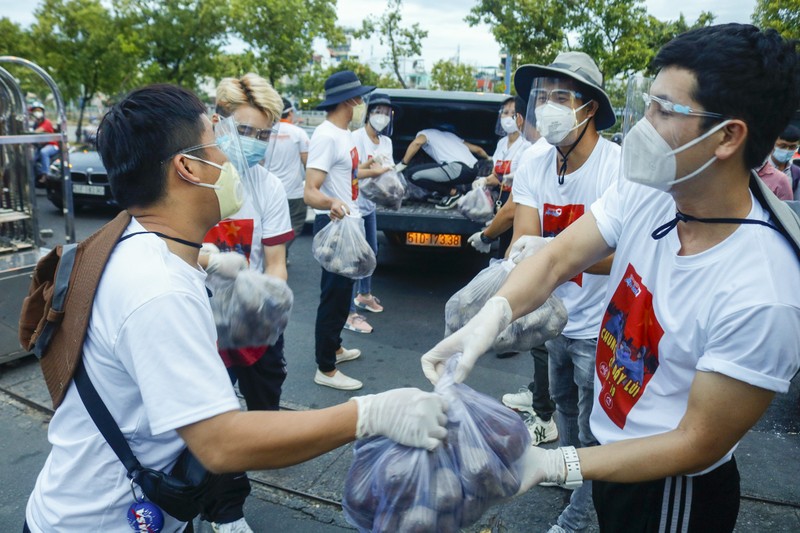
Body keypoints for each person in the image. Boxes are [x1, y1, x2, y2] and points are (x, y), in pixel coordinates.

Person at [422, 24, 800, 533]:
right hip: (613, 448)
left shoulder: (764, 294)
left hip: (671, 492)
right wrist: (489, 320)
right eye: (648, 104)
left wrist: (557, 465)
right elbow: (557, 258)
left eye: (666, 110)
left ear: (728, 136)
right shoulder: (652, 189)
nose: (645, 124)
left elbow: (695, 442)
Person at [24, 83, 449, 532]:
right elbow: (221, 443)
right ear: (187, 166)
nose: (229, 155)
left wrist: (213, 262)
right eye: (216, 139)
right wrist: (372, 414)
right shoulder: (159, 289)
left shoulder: (133, 245)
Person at [500, 51, 621, 533]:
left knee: (597, 428)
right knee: (566, 405)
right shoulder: (533, 160)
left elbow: (622, 253)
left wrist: (551, 249)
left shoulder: (617, 167)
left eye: (560, 97)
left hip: (601, 325)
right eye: (541, 96)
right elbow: (522, 241)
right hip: (556, 318)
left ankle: (581, 515)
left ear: (588, 108)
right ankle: (573, 472)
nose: (546, 106)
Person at [197, 73, 294, 533]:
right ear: (218, 122)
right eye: (246, 131)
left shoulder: (266, 186)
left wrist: (272, 295)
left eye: (264, 134)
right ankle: (225, 511)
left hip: (254, 326)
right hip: (199, 328)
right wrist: (208, 258)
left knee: (264, 411)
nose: (254, 143)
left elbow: (276, 260)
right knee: (214, 420)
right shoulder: (192, 178)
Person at [304, 70, 387, 390]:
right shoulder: (325, 135)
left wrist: (375, 170)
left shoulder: (344, 134)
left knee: (344, 292)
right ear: (350, 100)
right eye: (360, 98)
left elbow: (349, 175)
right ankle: (325, 368)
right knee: (334, 296)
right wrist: (332, 203)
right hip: (336, 224)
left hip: (349, 223)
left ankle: (335, 347)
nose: (362, 103)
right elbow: (311, 190)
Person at [344, 92, 396, 334]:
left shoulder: (386, 142)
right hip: (353, 207)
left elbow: (388, 171)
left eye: (386, 113)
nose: (382, 117)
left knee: (372, 251)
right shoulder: (355, 138)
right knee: (355, 257)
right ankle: (349, 309)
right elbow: (351, 173)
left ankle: (364, 294)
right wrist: (374, 172)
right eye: (378, 111)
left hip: (370, 206)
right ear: (368, 112)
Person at [480, 95, 532, 256]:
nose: (507, 117)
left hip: (516, 200)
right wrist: (484, 181)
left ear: (521, 118)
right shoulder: (501, 143)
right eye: (505, 112)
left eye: (512, 113)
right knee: (502, 245)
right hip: (500, 197)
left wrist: (512, 176)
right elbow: (496, 175)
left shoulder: (527, 145)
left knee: (511, 248)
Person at [396, 125, 492, 209]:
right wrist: (488, 158)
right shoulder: (452, 136)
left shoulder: (425, 133)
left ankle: (453, 194)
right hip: (473, 170)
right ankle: (442, 194)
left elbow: (417, 143)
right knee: (440, 170)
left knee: (413, 174)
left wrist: (403, 163)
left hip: (458, 169)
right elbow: (478, 150)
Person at [268, 97, 310, 256]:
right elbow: (307, 162)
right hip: (294, 192)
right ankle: (277, 254)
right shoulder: (298, 133)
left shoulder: (266, 131)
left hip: (271, 191)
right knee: (295, 225)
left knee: (274, 227)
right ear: (290, 112)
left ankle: (278, 255)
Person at [29, 101, 59, 184]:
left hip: (52, 146)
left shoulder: (46, 122)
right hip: (41, 146)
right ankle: (35, 178)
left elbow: (36, 132)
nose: (37, 113)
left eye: (39, 110)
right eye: (35, 111)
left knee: (44, 152)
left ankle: (46, 174)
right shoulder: (36, 123)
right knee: (32, 160)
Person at [770, 125, 800, 197]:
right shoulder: (758, 169)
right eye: (782, 146)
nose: (787, 150)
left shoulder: (796, 173)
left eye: (792, 147)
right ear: (771, 144)